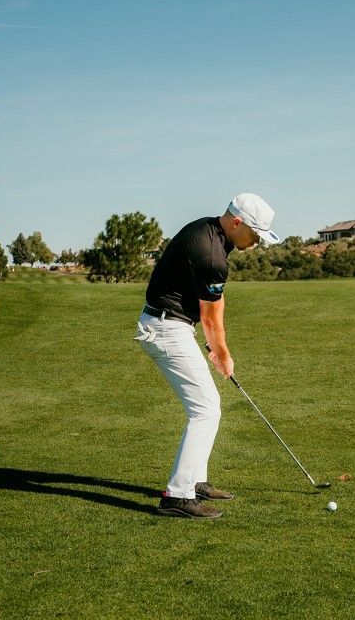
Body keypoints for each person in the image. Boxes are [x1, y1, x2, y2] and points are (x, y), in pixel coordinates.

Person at [135, 193, 281, 519]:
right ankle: (178, 495)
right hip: (165, 329)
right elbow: (211, 317)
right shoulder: (212, 255)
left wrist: (218, 349)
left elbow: (216, 300)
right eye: (255, 235)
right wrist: (223, 354)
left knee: (207, 406)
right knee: (205, 409)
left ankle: (196, 480)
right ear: (237, 222)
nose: (256, 242)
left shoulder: (209, 231)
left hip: (171, 324)